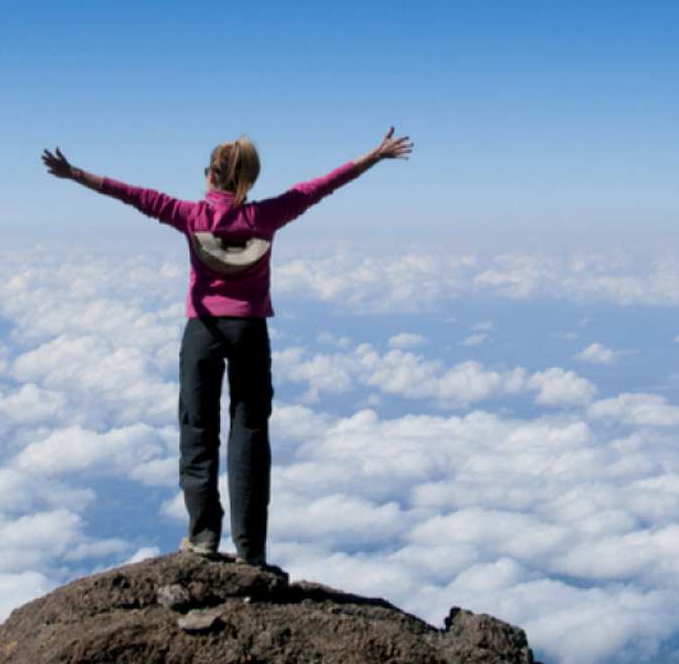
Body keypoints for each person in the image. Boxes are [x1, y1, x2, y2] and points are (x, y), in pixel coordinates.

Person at [40, 128, 414, 567]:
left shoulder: (189, 214)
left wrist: (73, 174)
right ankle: (250, 550)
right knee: (250, 435)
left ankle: (203, 537)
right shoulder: (268, 216)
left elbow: (131, 195)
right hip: (250, 332)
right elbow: (323, 186)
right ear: (246, 181)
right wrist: (374, 155)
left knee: (197, 431)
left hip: (202, 331)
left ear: (213, 177)